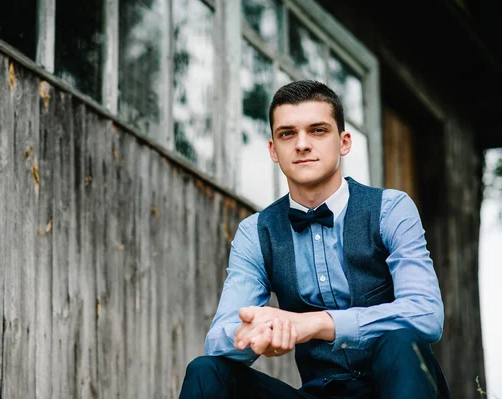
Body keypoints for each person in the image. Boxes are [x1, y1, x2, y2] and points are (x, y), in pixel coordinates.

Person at [179, 80, 450, 399]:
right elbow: (219, 339)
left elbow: (426, 314)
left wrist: (315, 324)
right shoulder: (256, 232)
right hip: (318, 393)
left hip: (396, 386)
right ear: (273, 150)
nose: (302, 144)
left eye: (318, 130)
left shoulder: (390, 208)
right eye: (287, 133)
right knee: (206, 371)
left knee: (401, 340)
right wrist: (256, 334)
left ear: (344, 142)